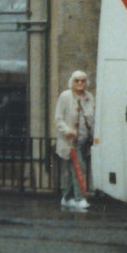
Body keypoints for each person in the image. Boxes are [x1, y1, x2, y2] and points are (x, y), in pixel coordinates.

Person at [53, 70, 95, 212]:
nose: (80, 83)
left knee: (74, 170)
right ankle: (79, 198)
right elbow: (58, 119)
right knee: (79, 168)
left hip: (85, 140)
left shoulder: (89, 97)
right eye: (77, 80)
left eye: (82, 80)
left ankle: (67, 197)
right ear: (72, 82)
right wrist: (67, 131)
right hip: (71, 141)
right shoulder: (65, 96)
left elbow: (92, 118)